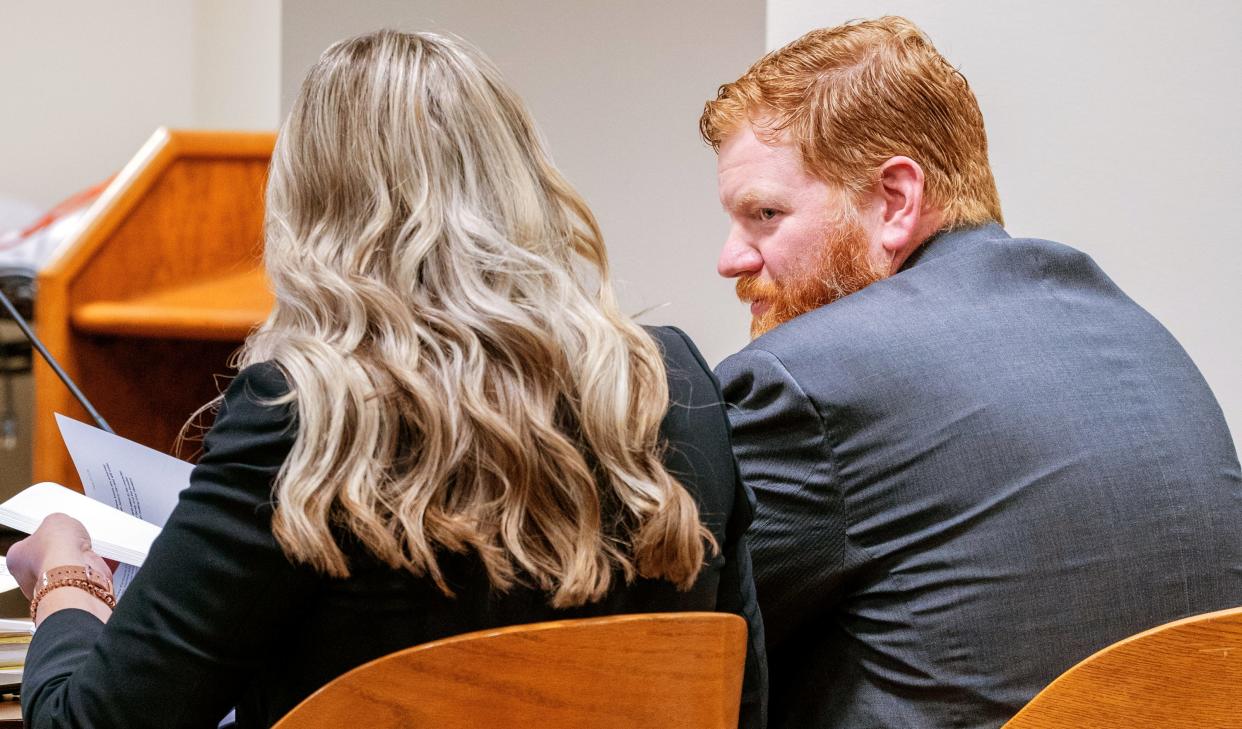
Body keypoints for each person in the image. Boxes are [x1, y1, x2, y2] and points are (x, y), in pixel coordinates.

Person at [7, 30, 765, 729]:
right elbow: (738, 693)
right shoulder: (671, 381)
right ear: (522, 180)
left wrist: (67, 574)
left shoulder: (304, 411)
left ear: (305, 207)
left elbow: (89, 722)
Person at [699, 15, 1242, 729]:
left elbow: (674, 645)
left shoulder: (806, 381)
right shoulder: (1141, 340)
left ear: (895, 201)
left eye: (765, 214)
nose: (732, 258)